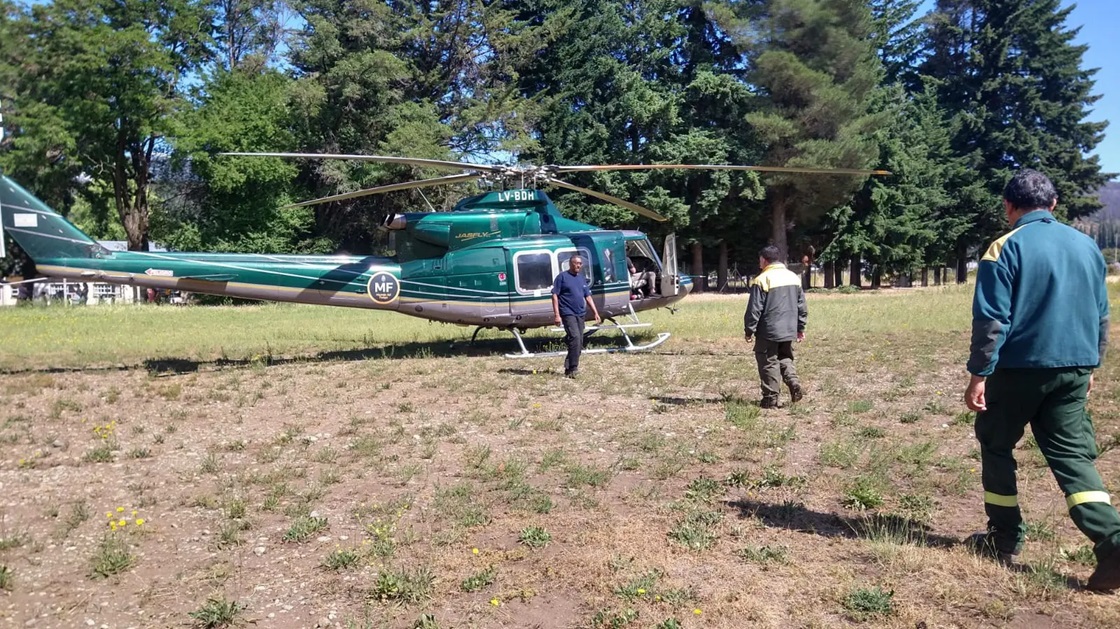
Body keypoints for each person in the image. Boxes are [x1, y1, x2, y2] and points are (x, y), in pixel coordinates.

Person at [963, 168, 1118, 591]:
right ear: (1052, 206)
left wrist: (979, 374)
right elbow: (1102, 317)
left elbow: (993, 319)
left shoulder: (1003, 247)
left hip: (1017, 372)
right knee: (1072, 457)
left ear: (1009, 207)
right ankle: (1112, 539)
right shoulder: (1088, 247)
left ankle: (1004, 537)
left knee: (996, 446)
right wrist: (1091, 368)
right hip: (1074, 370)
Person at [744, 245, 806, 408]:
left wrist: (749, 330)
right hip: (789, 329)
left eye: (760, 260)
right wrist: (800, 328)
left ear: (764, 260)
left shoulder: (762, 279)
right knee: (784, 357)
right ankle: (793, 381)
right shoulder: (793, 277)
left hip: (769, 331)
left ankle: (770, 399)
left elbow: (754, 308)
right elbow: (801, 306)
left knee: (768, 361)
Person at [551, 254, 601, 378]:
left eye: (580, 263)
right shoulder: (562, 277)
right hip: (567, 312)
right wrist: (557, 315)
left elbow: (587, 296)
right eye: (576, 263)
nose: (578, 265)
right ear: (570, 263)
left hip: (580, 313)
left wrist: (595, 312)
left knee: (579, 340)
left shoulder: (581, 278)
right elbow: (554, 295)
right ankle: (573, 368)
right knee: (575, 338)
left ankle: (568, 367)